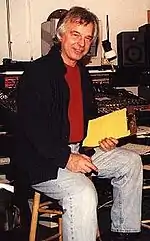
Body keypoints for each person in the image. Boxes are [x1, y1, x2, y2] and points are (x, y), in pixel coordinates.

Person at [14, 6, 143, 241]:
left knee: (130, 162)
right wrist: (66, 158)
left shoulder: (82, 73)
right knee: (83, 192)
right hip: (44, 159)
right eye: (75, 34)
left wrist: (102, 138)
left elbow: (89, 120)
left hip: (80, 150)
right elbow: (33, 127)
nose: (81, 44)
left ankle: (124, 232)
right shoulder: (38, 73)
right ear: (61, 35)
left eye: (87, 38)